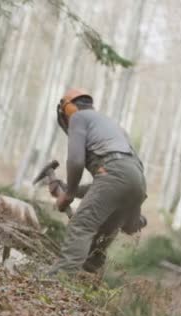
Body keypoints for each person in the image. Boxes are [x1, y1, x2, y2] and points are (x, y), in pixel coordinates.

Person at [48, 88, 147, 275]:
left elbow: (76, 161)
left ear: (68, 110)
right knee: (102, 236)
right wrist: (69, 188)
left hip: (115, 174)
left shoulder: (78, 118)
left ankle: (59, 280)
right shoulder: (111, 125)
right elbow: (112, 183)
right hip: (137, 179)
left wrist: (68, 196)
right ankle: (90, 275)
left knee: (82, 225)